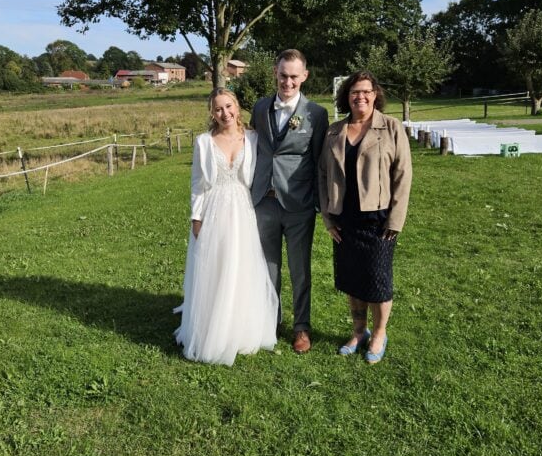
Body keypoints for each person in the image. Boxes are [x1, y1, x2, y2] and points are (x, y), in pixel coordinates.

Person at [174, 88, 279, 365]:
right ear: (212, 113)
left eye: (229, 106)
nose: (225, 114)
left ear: (237, 107)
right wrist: (196, 218)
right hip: (215, 210)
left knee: (241, 267)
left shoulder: (253, 138)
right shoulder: (204, 142)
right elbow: (198, 183)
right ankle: (211, 328)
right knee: (214, 269)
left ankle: (240, 328)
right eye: (219, 109)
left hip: (243, 210)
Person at [318, 71, 412, 364]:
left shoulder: (391, 127)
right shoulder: (334, 131)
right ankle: (359, 331)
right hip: (344, 218)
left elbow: (402, 175)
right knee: (352, 279)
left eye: (365, 91)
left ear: (375, 94)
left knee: (378, 280)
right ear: (346, 96)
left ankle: (380, 334)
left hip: (379, 219)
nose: (360, 96)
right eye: (354, 92)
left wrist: (395, 220)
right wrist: (328, 219)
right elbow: (322, 175)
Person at [251, 49, 329, 354]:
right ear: (275, 72)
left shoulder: (316, 114)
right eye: (283, 75)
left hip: (298, 204)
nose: (288, 81)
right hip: (263, 202)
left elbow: (320, 162)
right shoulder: (259, 108)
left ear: (304, 76)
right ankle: (271, 321)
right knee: (268, 268)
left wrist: (321, 207)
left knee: (300, 270)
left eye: (294, 76)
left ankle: (301, 328)